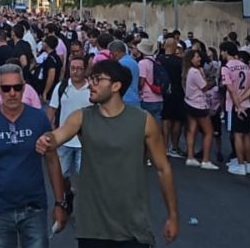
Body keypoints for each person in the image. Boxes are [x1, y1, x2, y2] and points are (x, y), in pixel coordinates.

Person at [36, 59, 179, 247]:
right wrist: (46, 139)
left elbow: (163, 169)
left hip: (132, 227)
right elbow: (58, 135)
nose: (90, 85)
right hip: (92, 227)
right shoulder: (81, 117)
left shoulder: (143, 120)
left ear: (116, 86)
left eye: (97, 80)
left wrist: (173, 215)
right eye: (91, 79)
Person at [0, 64, 66, 247]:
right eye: (6, 88)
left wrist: (60, 203)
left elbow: (52, 161)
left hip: (34, 208)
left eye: (17, 87)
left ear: (24, 88)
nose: (12, 93)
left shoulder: (39, 118)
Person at [46, 54, 91, 213]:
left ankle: (87, 206)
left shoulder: (92, 88)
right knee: (61, 174)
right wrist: (46, 131)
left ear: (85, 70)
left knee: (85, 176)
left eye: (79, 69)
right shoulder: (62, 87)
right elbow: (52, 109)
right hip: (63, 140)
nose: (76, 72)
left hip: (86, 141)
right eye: (73, 68)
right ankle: (68, 194)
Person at [220, 41, 250, 175]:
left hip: (233, 106)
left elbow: (230, 89)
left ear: (225, 51)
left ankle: (241, 165)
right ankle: (249, 163)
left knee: (237, 135)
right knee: (246, 134)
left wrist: (237, 104)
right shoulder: (247, 67)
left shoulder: (226, 68)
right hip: (246, 104)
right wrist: (242, 100)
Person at [182, 48, 218, 170]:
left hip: (189, 102)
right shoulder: (195, 72)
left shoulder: (188, 71)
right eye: (197, 57)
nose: (200, 59)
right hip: (199, 104)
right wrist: (212, 81)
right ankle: (206, 160)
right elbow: (204, 87)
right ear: (191, 59)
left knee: (191, 130)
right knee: (209, 132)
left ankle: (190, 157)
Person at [109, 40, 141, 108]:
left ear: (116, 52)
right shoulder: (133, 61)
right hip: (135, 97)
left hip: (125, 98)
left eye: (111, 53)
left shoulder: (120, 64)